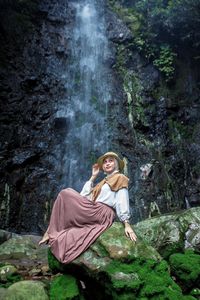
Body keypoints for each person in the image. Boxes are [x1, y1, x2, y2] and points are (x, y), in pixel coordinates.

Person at [39, 151, 137, 264]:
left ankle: (50, 232)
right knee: (64, 194)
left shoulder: (120, 177)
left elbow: (122, 199)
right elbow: (84, 197)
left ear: (117, 164)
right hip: (94, 209)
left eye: (111, 161)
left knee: (65, 193)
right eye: (105, 162)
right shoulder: (102, 183)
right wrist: (93, 177)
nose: (107, 163)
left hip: (102, 212)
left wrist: (126, 223)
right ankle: (51, 231)